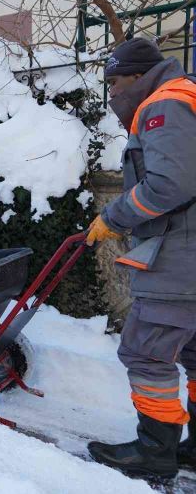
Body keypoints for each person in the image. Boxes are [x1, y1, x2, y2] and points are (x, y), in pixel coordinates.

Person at [86, 38, 196, 479]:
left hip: (180, 258)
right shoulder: (187, 96)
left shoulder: (163, 106)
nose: (113, 93)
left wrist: (114, 216)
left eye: (115, 82)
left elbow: (170, 185)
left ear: (137, 76)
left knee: (145, 352)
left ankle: (155, 452)